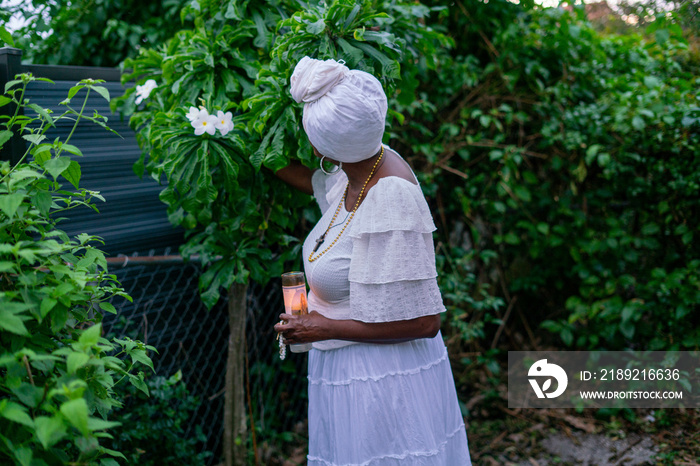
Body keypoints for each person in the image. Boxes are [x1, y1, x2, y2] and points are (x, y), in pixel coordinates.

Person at [274, 56, 472, 465]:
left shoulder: (391, 195)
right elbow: (319, 185)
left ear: (323, 145)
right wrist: (258, 153)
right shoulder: (360, 163)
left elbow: (425, 323)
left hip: (384, 382)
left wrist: (322, 325)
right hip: (350, 374)